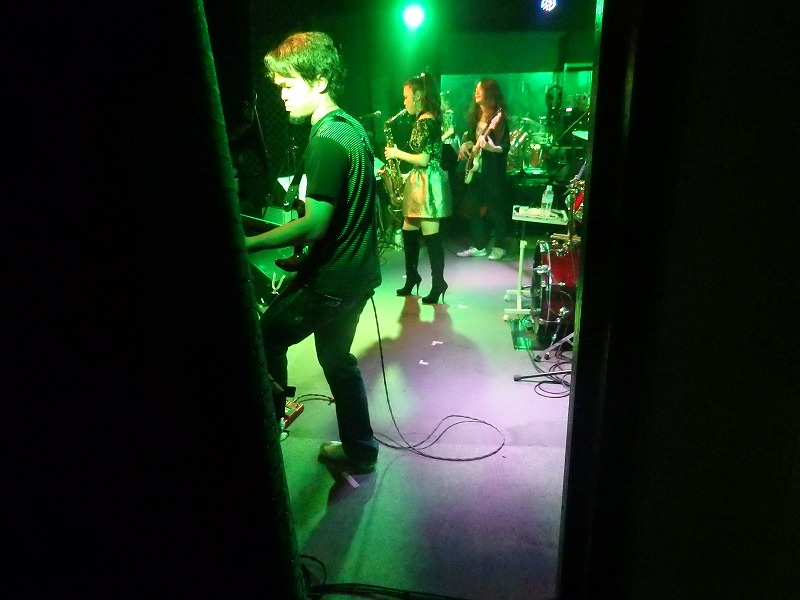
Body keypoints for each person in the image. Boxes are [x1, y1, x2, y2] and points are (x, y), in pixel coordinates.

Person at [246, 31, 381, 474]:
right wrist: (304, 258)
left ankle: (271, 430)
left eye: (288, 85)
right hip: (357, 275)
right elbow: (346, 217)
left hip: (332, 281)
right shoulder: (351, 128)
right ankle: (361, 450)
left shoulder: (325, 140)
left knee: (267, 336)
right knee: (338, 361)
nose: (282, 96)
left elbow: (317, 223)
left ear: (319, 81)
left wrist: (248, 243)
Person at [384, 73, 453, 304]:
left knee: (431, 236)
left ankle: (438, 282)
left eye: (406, 97)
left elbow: (424, 159)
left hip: (427, 183)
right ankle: (412, 276)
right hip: (421, 180)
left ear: (418, 96)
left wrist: (396, 153)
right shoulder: (427, 119)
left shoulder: (425, 122)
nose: (404, 102)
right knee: (408, 229)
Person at [456, 78, 511, 261]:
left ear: (490, 94)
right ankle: (479, 245)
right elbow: (472, 140)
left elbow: (505, 146)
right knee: (472, 207)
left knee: (496, 209)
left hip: (493, 172)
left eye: (481, 89)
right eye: (476, 89)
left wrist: (492, 148)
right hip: (476, 170)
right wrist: (465, 145)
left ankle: (500, 246)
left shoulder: (498, 119)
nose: (476, 92)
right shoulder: (476, 117)